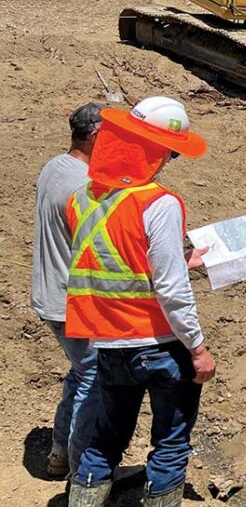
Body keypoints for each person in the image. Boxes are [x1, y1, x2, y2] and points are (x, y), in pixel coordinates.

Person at [67, 97, 214, 507]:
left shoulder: (82, 198)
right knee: (170, 442)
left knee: (105, 438)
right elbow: (170, 289)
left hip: (109, 344)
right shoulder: (159, 203)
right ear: (155, 149)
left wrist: (184, 259)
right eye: (170, 151)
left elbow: (118, 262)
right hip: (161, 344)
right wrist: (198, 349)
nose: (169, 160)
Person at [32, 103, 104, 478]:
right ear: (93, 136)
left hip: (49, 293)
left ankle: (60, 455)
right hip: (69, 301)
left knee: (80, 372)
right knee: (94, 378)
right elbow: (97, 247)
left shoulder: (54, 167)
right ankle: (83, 472)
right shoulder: (83, 185)